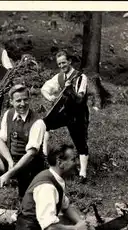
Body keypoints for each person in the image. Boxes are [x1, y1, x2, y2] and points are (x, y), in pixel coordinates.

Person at [41, 50, 90, 183]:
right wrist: (50, 97)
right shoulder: (59, 77)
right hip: (64, 112)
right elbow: (44, 88)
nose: (62, 65)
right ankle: (45, 156)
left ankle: (83, 174)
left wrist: (70, 90)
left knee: (80, 141)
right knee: (44, 125)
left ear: (69, 61)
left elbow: (80, 98)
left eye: (64, 62)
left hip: (78, 113)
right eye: (59, 64)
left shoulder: (80, 77)